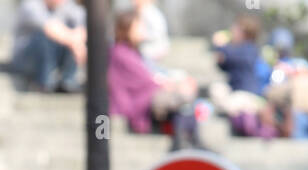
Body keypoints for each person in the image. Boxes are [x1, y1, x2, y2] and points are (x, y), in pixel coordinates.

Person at [108, 9, 202, 149]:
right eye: (139, 26)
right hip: (138, 102)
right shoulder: (119, 53)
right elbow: (143, 81)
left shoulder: (135, 52)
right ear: (127, 28)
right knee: (182, 98)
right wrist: (172, 86)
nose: (143, 30)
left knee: (183, 104)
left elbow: (152, 75)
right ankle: (188, 143)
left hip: (151, 96)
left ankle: (188, 141)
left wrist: (173, 83)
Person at [12, 0, 87, 94]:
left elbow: (82, 27)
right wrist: (76, 44)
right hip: (26, 61)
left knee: (70, 33)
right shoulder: (31, 4)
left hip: (54, 56)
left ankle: (68, 82)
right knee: (44, 36)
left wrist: (76, 41)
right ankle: (45, 82)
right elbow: (50, 29)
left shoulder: (67, 5)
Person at [132, 0, 170, 66]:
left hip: (153, 50)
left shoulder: (149, 12)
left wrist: (142, 36)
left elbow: (158, 32)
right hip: (148, 50)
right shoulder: (141, 11)